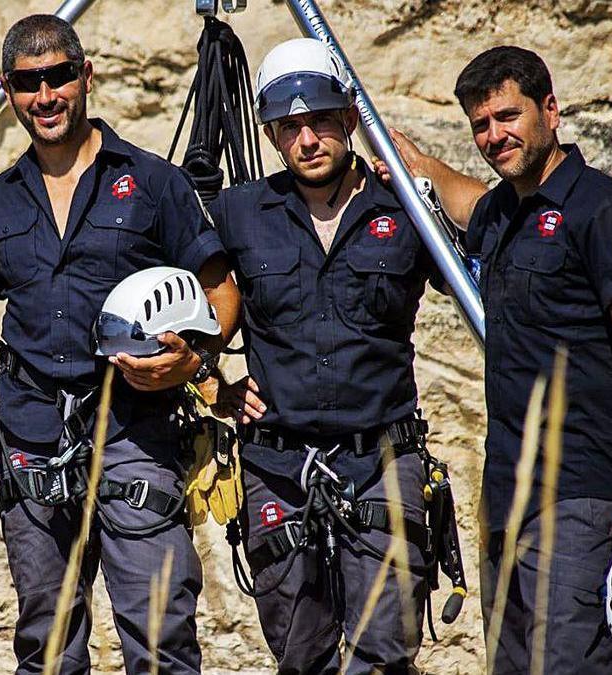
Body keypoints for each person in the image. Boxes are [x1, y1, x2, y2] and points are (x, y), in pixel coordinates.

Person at [0, 15, 240, 675]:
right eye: (28, 83)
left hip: (136, 431)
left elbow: (221, 294)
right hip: (29, 436)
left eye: (58, 76)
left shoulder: (151, 181)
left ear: (86, 76)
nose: (46, 95)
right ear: (7, 90)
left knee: (162, 637)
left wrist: (193, 359)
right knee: (48, 646)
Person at [381, 46, 612, 673]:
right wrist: (404, 160)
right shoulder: (507, 213)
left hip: (582, 497)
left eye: (508, 117)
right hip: (509, 493)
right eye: (481, 125)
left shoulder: (606, 212)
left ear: (551, 110)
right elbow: (459, 196)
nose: (495, 136)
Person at [210, 38, 441, 673]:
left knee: (386, 653)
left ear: (348, 119)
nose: (307, 139)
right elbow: (171, 302)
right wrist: (210, 383)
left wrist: (427, 175)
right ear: (273, 134)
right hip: (277, 465)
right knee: (299, 653)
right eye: (290, 127)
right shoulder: (238, 212)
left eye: (319, 121)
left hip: (382, 459)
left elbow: (489, 258)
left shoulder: (404, 207)